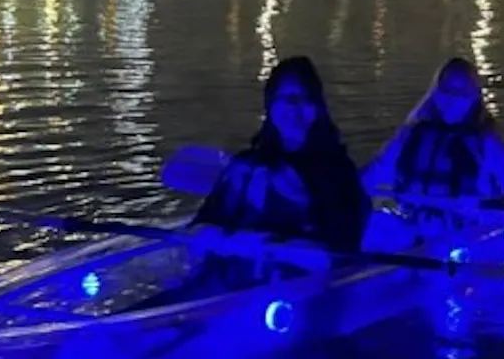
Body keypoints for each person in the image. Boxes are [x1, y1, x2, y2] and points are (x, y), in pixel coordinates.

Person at [133, 57, 371, 310]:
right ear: (271, 106)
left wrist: (259, 245)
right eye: (286, 99)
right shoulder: (246, 167)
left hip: (296, 299)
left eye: (305, 99)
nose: (295, 110)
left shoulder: (337, 171)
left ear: (318, 107)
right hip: (225, 287)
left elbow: (339, 253)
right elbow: (205, 223)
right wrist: (206, 237)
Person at [361, 57, 504, 233]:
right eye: (446, 90)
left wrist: (495, 207)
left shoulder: (486, 143)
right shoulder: (410, 135)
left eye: (461, 93)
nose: (451, 99)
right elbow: (369, 177)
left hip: (466, 231)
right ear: (435, 93)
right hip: (411, 227)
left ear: (474, 98)